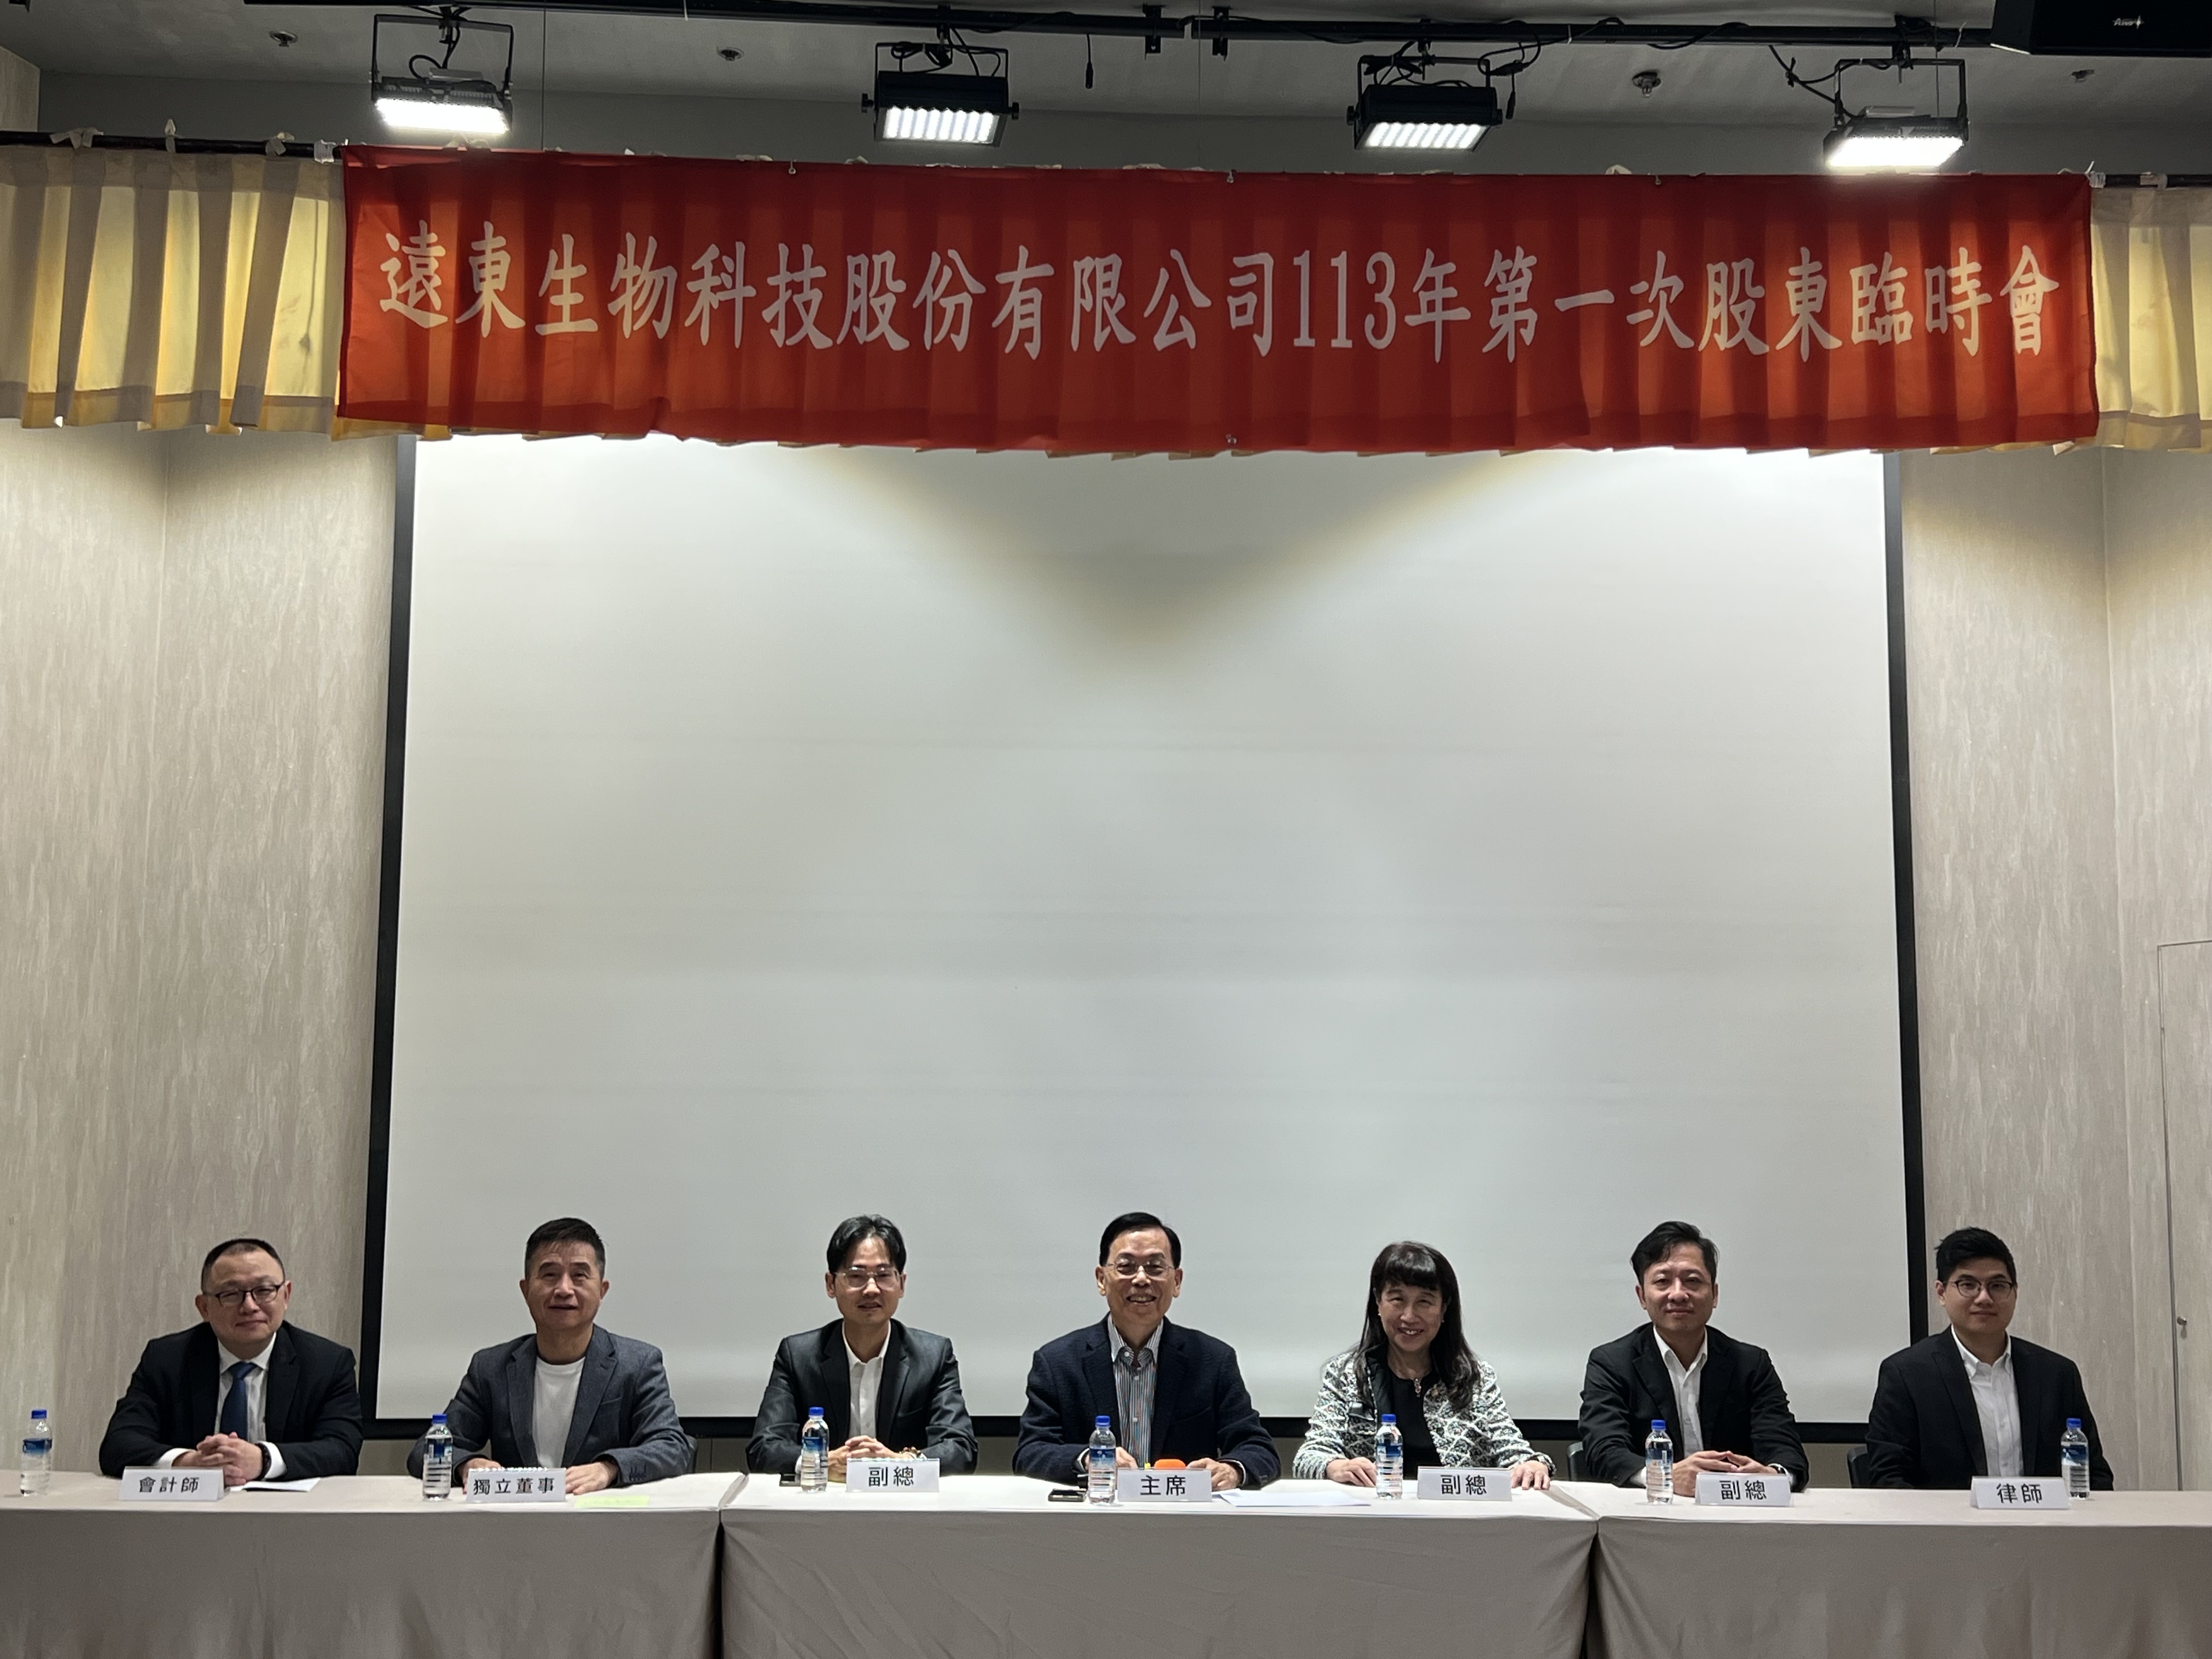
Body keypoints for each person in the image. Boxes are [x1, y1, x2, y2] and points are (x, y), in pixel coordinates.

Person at [407, 1217, 692, 1493]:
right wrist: (466, 1464)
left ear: (602, 1290)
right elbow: (425, 1450)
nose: (564, 1289)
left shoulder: (638, 1364)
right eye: (550, 1275)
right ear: (526, 1290)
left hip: (598, 1518)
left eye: (579, 1275)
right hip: (517, 1520)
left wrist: (609, 1468)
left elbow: (672, 1447)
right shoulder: (491, 1368)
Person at [1014, 1211, 1278, 1489]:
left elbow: (1258, 1449)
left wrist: (1232, 1470)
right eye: (1126, 1266)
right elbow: (1030, 1453)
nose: (1141, 1279)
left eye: (1155, 1267)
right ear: (1102, 1279)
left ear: (1177, 1281)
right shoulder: (1058, 1362)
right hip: (1098, 1510)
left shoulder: (1213, 1360)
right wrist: (1090, 1459)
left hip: (1182, 1511)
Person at [1864, 1226, 2113, 1489]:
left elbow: (2094, 1476)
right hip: (1948, 1518)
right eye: (1968, 1285)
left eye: (1997, 1286)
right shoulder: (1906, 1376)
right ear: (1941, 1293)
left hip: (2042, 1517)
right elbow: (1889, 1480)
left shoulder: (2057, 1375)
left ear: (2015, 1292)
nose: (1984, 1298)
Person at [99, 1237, 363, 1483]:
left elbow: (342, 1451)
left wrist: (262, 1460)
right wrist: (189, 1462)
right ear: (204, 1307)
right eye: (231, 1294)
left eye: (264, 1290)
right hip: (190, 1512)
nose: (249, 1306)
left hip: (287, 1513)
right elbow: (119, 1445)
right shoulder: (167, 1359)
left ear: (286, 1295)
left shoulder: (327, 1363)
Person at [1294, 1240, 1551, 1488]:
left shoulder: (1475, 1377)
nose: (1409, 1316)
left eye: (1424, 1302)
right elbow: (1309, 1457)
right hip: (1375, 1512)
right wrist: (1334, 1466)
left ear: (1444, 1308)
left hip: (1457, 1513)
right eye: (1397, 1300)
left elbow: (1513, 1451)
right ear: (1378, 1302)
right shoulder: (1347, 1374)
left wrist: (1532, 1464)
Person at [1577, 1220, 1810, 1492]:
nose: (1678, 1294)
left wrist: (1774, 1475)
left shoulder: (1751, 1365)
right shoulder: (1612, 1363)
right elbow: (1604, 1450)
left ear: (1715, 1295)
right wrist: (1664, 1476)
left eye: (1692, 1281)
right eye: (1663, 1281)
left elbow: (1787, 1454)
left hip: (1735, 1509)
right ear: (1642, 1296)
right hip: (1652, 1509)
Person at [747, 1214, 978, 1476]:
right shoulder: (798, 1356)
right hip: (825, 1497)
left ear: (901, 1284)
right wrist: (821, 1462)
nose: (871, 1289)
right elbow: (763, 1449)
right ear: (831, 1285)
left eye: (883, 1275)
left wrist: (902, 1463)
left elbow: (961, 1449)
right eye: (856, 1276)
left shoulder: (933, 1357)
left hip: (903, 1499)